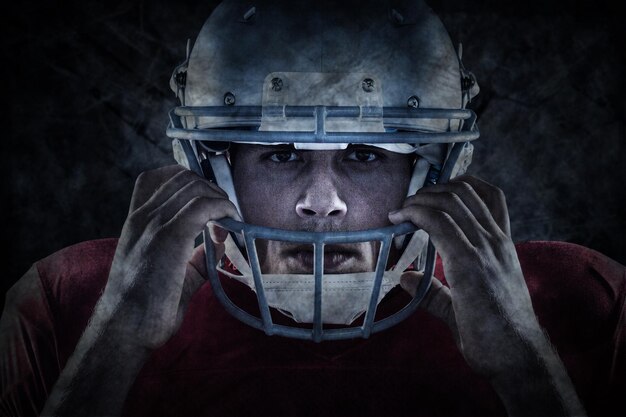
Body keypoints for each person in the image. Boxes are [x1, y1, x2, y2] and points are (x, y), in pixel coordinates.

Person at [1, 0, 623, 416]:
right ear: (215, 166)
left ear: (430, 167)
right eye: (278, 155)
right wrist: (113, 344)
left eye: (364, 154)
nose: (320, 204)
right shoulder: (69, 300)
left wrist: (524, 363)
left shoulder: (584, 299)